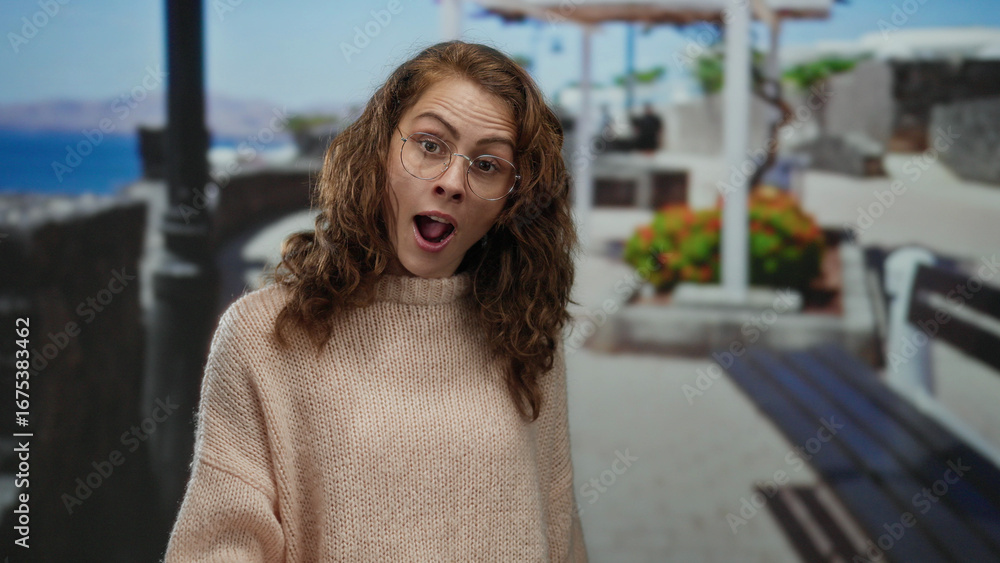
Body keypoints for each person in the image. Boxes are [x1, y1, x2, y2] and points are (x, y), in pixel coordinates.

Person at [163, 40, 588, 562]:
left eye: (486, 164)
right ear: (380, 150)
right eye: (430, 145)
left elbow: (560, 531)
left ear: (510, 201)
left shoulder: (525, 333)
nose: (453, 182)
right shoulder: (263, 335)